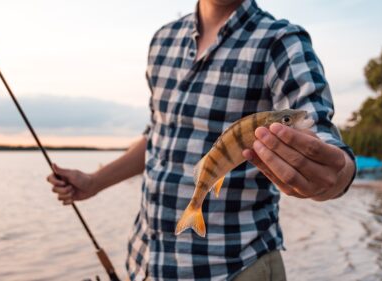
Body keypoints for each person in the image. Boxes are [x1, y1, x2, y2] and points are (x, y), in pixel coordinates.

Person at [46, 0, 356, 280]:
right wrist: (94, 182)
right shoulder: (162, 41)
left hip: (235, 268)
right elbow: (159, 134)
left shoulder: (281, 42)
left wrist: (335, 174)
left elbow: (318, 129)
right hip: (144, 264)